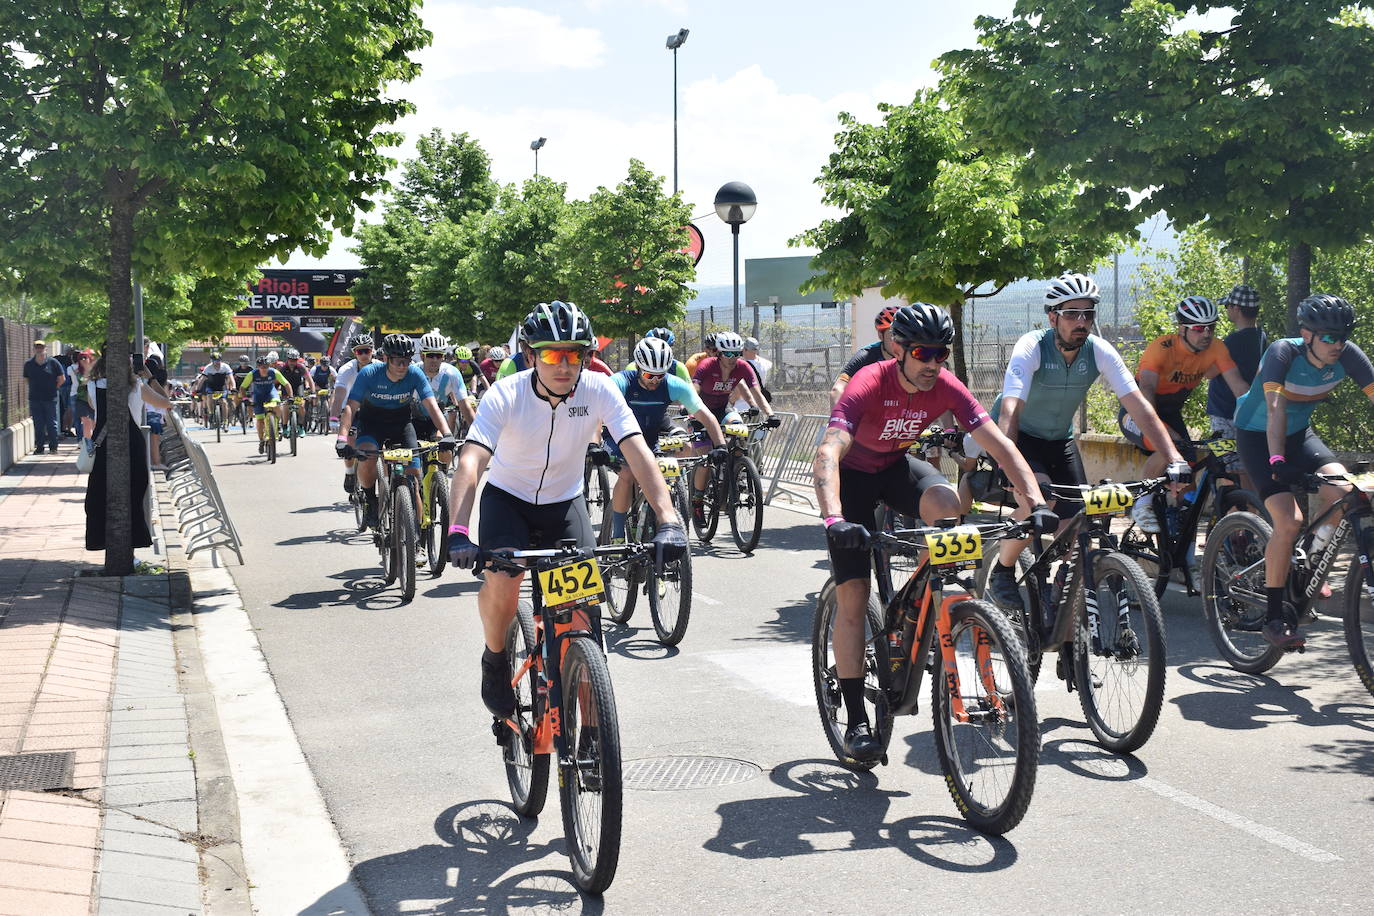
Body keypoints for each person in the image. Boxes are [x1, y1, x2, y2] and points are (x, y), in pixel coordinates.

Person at [813, 303, 1058, 761]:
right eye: (923, 353)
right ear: (900, 350)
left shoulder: (945, 384)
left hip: (894, 468)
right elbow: (828, 451)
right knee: (852, 598)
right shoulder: (869, 382)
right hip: (853, 481)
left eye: (941, 354)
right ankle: (856, 720)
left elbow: (1000, 445)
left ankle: (921, 600)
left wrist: (1037, 503)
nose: (933, 364)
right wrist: (834, 518)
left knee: (947, 505)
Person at [444, 301, 686, 719]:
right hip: (508, 500)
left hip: (564, 503)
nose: (565, 365)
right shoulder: (507, 392)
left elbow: (637, 450)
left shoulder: (598, 389)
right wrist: (458, 532)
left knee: (582, 619)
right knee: (505, 581)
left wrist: (668, 519)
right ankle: (495, 659)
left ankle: (593, 737)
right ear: (532, 354)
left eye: (576, 354)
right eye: (553, 354)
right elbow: (472, 460)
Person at [983, 273, 1190, 613]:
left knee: (1076, 523)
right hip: (1018, 440)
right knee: (1040, 499)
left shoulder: (1099, 351)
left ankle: (1064, 593)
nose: (1081, 322)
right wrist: (1008, 463)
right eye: (1071, 314)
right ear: (1053, 317)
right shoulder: (1032, 346)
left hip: (1060, 440)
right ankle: (1003, 570)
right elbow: (1010, 409)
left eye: (1088, 314)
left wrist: (1173, 458)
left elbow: (1140, 407)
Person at [1232, 294, 1374, 649]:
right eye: (1328, 337)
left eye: (1342, 336)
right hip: (1258, 437)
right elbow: (1275, 409)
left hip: (1300, 435)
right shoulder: (1283, 352)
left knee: (1345, 493)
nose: (1337, 344)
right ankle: (1275, 617)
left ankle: (1310, 557)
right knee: (1289, 520)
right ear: (1306, 334)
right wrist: (1278, 462)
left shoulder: (1348, 355)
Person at [1117, 295, 1248, 532]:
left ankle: (1179, 522)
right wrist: (1163, 434)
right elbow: (1146, 391)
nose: (1206, 333)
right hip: (1139, 411)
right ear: (1182, 329)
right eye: (1199, 328)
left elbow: (1240, 388)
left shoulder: (1217, 348)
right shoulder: (1161, 348)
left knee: (1188, 475)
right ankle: (1142, 503)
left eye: (1211, 327)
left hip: (1172, 413)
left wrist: (1260, 420)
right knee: (1170, 447)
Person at [605, 336, 728, 542]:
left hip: (650, 438)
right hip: (617, 439)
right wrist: (593, 445)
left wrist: (721, 446)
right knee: (627, 474)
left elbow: (706, 415)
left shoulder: (673, 384)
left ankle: (673, 492)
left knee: (686, 446)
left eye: (660, 375)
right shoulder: (620, 382)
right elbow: (597, 415)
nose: (654, 380)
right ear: (637, 367)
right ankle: (617, 534)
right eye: (648, 374)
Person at [336, 334, 453, 529]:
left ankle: (415, 539)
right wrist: (341, 438)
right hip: (372, 423)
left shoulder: (415, 374)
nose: (402, 366)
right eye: (398, 361)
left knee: (415, 477)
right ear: (386, 359)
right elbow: (350, 406)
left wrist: (447, 434)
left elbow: (432, 406)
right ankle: (369, 499)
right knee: (366, 455)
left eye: (407, 361)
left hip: (402, 424)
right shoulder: (369, 374)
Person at [84, 350, 173, 551]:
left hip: (103, 443)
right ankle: (134, 539)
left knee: (99, 493)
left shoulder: (93, 385)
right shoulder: (136, 386)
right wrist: (149, 377)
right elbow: (165, 402)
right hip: (131, 444)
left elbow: (92, 405)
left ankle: (99, 539)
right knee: (135, 491)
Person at [689, 331, 779, 520]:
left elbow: (756, 392)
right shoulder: (707, 365)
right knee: (705, 460)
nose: (732, 358)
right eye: (728, 354)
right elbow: (694, 389)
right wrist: (689, 407)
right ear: (719, 353)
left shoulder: (742, 367)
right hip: (701, 412)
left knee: (740, 430)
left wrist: (769, 414)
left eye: (736, 353)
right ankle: (697, 502)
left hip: (723, 410)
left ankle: (736, 473)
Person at [1206, 284, 1266, 491]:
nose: (1227, 310)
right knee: (1247, 467)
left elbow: (1209, 372)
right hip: (1251, 413)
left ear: (1237, 309)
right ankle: (1249, 512)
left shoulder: (1232, 341)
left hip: (1224, 413)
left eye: (1228, 306)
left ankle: (1234, 514)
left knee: (1229, 468)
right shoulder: (1261, 337)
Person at [830, 305, 902, 407]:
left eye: (902, 336)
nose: (898, 342)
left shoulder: (912, 356)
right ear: (880, 336)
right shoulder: (866, 356)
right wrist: (837, 418)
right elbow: (837, 389)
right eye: (892, 336)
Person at [331, 334, 376, 492]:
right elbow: (339, 395)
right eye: (359, 352)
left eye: (367, 351)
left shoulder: (381, 367)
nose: (364, 355)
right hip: (352, 410)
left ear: (372, 351)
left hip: (375, 410)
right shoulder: (346, 370)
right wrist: (334, 418)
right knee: (349, 441)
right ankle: (350, 472)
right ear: (354, 353)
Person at [414, 330, 476, 439]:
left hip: (437, 421)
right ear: (421, 355)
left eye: (438, 355)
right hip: (412, 420)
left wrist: (478, 433)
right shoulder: (413, 372)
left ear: (443, 357)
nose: (434, 359)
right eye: (430, 355)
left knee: (444, 445)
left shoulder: (452, 373)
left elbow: (465, 406)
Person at [239, 356, 294, 454]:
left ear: (269, 366)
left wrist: (290, 397)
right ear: (258, 366)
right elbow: (242, 387)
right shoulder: (252, 374)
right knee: (260, 420)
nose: (264, 369)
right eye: (262, 367)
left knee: (277, 404)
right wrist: (245, 399)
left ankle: (278, 425)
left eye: (266, 366)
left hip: (271, 393)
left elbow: (286, 384)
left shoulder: (274, 372)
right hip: (258, 396)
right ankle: (261, 441)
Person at [23, 340, 65, 454]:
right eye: (37, 347)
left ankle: (53, 447)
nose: (39, 349)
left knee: (51, 423)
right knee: (38, 424)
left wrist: (53, 388)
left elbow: (62, 379)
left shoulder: (53, 363)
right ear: (34, 349)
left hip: (50, 398)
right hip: (35, 399)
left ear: (45, 348)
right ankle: (40, 447)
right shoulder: (28, 364)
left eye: (41, 347)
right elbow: (26, 379)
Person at [278, 348, 315, 432]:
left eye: (295, 360)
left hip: (298, 386)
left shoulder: (301, 367)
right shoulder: (283, 368)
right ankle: (284, 426)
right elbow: (277, 381)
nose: (292, 362)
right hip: (286, 388)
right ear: (287, 359)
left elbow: (310, 380)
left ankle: (300, 426)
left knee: (301, 405)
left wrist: (313, 392)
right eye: (291, 360)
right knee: (286, 406)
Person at [733, 336, 773, 412]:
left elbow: (737, 391)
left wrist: (730, 402)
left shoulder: (738, 365)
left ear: (744, 349)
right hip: (760, 405)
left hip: (740, 407)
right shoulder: (766, 364)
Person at [199, 352, 235, 424]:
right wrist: (198, 389)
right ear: (212, 361)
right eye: (215, 361)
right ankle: (211, 413)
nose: (217, 362)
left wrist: (234, 387)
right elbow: (202, 379)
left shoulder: (225, 366)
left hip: (221, 386)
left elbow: (231, 378)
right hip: (211, 386)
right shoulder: (208, 368)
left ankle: (225, 420)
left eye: (218, 360)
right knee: (209, 397)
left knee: (224, 402)